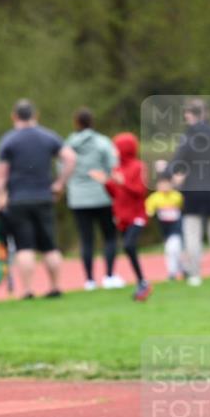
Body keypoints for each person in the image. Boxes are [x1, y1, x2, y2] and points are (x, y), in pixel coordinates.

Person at [0, 99, 76, 299]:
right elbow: (70, 158)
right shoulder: (48, 137)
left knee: (24, 246)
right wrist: (60, 183)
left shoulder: (9, 141)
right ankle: (55, 287)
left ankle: (27, 290)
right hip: (44, 197)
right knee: (49, 246)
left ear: (14, 117)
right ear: (35, 115)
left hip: (18, 199)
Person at [170, 99, 210, 286]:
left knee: (192, 234)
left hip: (193, 189)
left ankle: (195, 275)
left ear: (191, 114)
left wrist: (172, 172)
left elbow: (178, 162)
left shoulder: (188, 137)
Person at [64, 108, 123, 290]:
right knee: (110, 237)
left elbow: (62, 168)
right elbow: (114, 166)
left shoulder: (68, 144)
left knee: (86, 239)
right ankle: (110, 276)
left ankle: (89, 280)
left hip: (78, 198)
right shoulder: (103, 142)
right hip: (103, 196)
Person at [90, 132, 151, 301]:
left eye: (116, 148)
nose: (114, 152)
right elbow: (115, 194)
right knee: (129, 249)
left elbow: (140, 192)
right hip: (122, 217)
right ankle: (141, 282)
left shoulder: (138, 167)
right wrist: (106, 182)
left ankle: (143, 281)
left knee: (129, 246)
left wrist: (122, 182)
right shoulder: (117, 169)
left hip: (137, 216)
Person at [145, 171, 184, 280]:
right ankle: (183, 269)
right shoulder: (154, 198)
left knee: (172, 249)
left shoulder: (177, 196)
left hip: (176, 228)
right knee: (173, 250)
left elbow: (183, 210)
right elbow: (148, 212)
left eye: (167, 183)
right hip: (164, 230)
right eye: (162, 184)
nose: (164, 186)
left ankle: (172, 272)